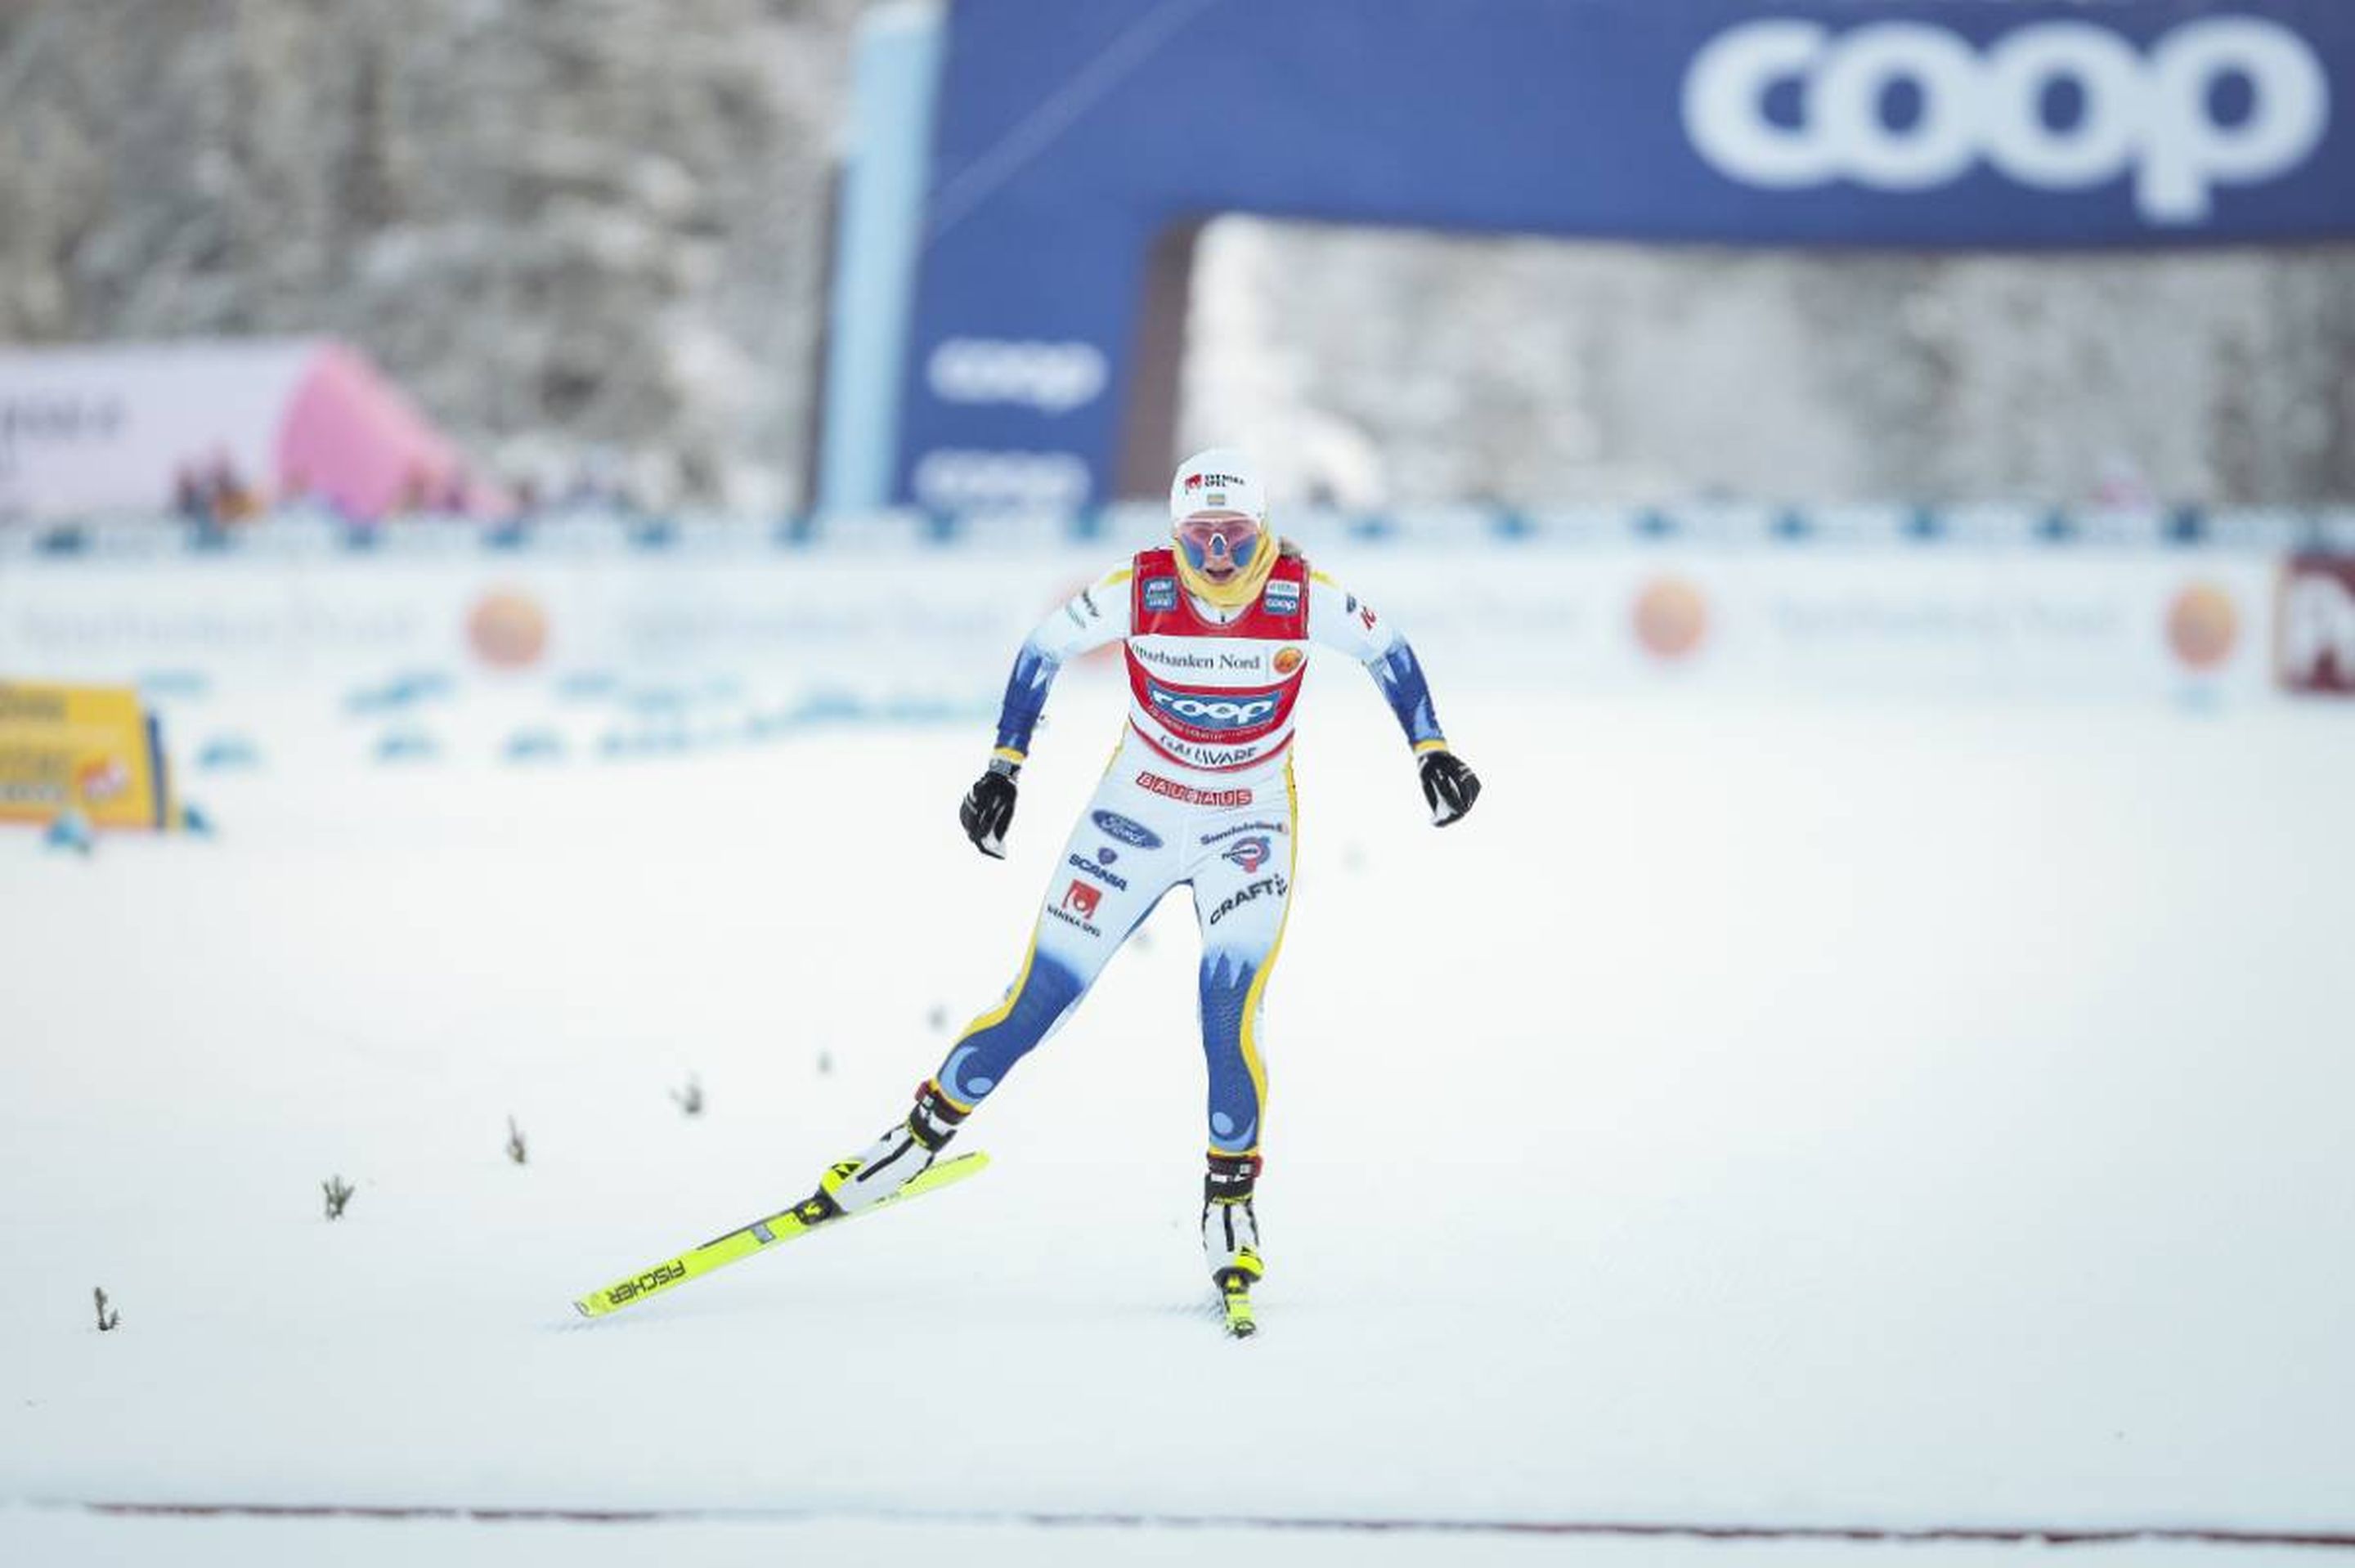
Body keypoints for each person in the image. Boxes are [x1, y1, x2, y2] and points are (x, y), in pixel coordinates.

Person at [799, 448, 1481, 1319]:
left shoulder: (1301, 595)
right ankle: (915, 1140)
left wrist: (1432, 749)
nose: (1220, 561)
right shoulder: (1142, 588)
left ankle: (1229, 1203)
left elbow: (1389, 649)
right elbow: (1045, 644)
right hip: (1138, 815)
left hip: (1248, 826)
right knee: (1039, 997)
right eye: (1201, 540)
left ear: (1265, 531)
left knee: (1227, 1008)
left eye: (1236, 537)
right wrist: (1005, 767)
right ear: (1173, 535)